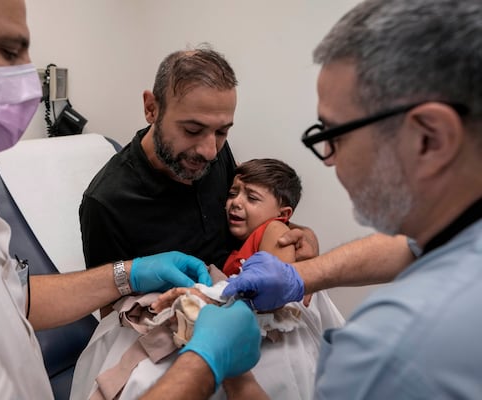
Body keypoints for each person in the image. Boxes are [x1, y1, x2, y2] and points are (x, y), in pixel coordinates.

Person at [0, 1, 261, 398]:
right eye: (10, 51)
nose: (28, 78)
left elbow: (14, 293)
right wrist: (206, 359)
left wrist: (128, 273)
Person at [223, 0, 482, 397]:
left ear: (429, 138)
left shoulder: (388, 353)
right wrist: (298, 277)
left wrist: (229, 366)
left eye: (333, 136)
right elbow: (411, 247)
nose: (329, 160)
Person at [71, 158, 343, 399]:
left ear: (283, 216)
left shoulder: (274, 230)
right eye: (233, 193)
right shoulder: (238, 245)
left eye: (252, 197)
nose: (235, 201)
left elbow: (276, 281)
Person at [79, 46, 319, 273]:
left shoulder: (213, 152)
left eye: (222, 131)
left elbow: (252, 220)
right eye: (193, 130)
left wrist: (304, 235)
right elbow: (112, 308)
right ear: (151, 109)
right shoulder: (106, 203)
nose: (210, 152)